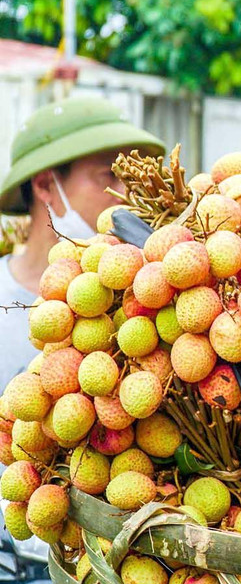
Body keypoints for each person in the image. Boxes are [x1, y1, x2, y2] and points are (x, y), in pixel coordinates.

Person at [0, 96, 163, 385]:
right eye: (108, 176)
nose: (126, 196)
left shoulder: (145, 296)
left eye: (129, 179)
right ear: (45, 185)